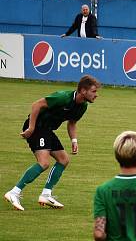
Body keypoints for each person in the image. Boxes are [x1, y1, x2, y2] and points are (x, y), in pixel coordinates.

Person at [4, 75, 101, 211]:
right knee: (44, 163)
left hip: (47, 130)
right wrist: (31, 128)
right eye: (94, 91)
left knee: (64, 160)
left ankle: (46, 194)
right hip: (36, 127)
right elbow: (37, 105)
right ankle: (14, 192)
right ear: (83, 91)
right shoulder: (63, 97)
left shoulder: (82, 106)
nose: (96, 95)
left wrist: (74, 140)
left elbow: (72, 123)